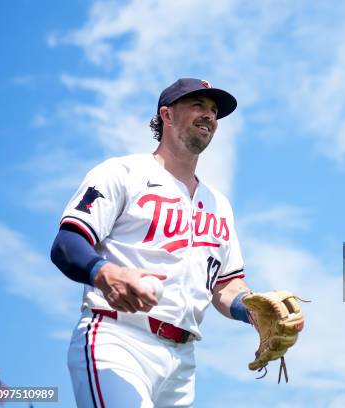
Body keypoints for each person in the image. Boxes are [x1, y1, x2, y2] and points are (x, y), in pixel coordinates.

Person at [51, 78, 256, 407]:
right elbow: (67, 243)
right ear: (167, 115)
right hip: (118, 338)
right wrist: (105, 274)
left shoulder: (219, 204)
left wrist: (254, 309)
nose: (209, 116)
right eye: (198, 106)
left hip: (182, 362)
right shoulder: (123, 172)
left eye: (214, 111)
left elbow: (226, 285)